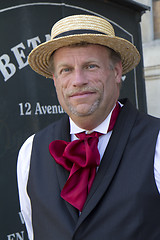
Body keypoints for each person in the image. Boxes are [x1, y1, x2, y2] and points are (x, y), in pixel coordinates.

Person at [17, 15, 160, 240]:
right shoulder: (30, 151)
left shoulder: (157, 142)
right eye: (66, 70)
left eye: (90, 66)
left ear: (116, 72)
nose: (78, 80)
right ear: (55, 79)